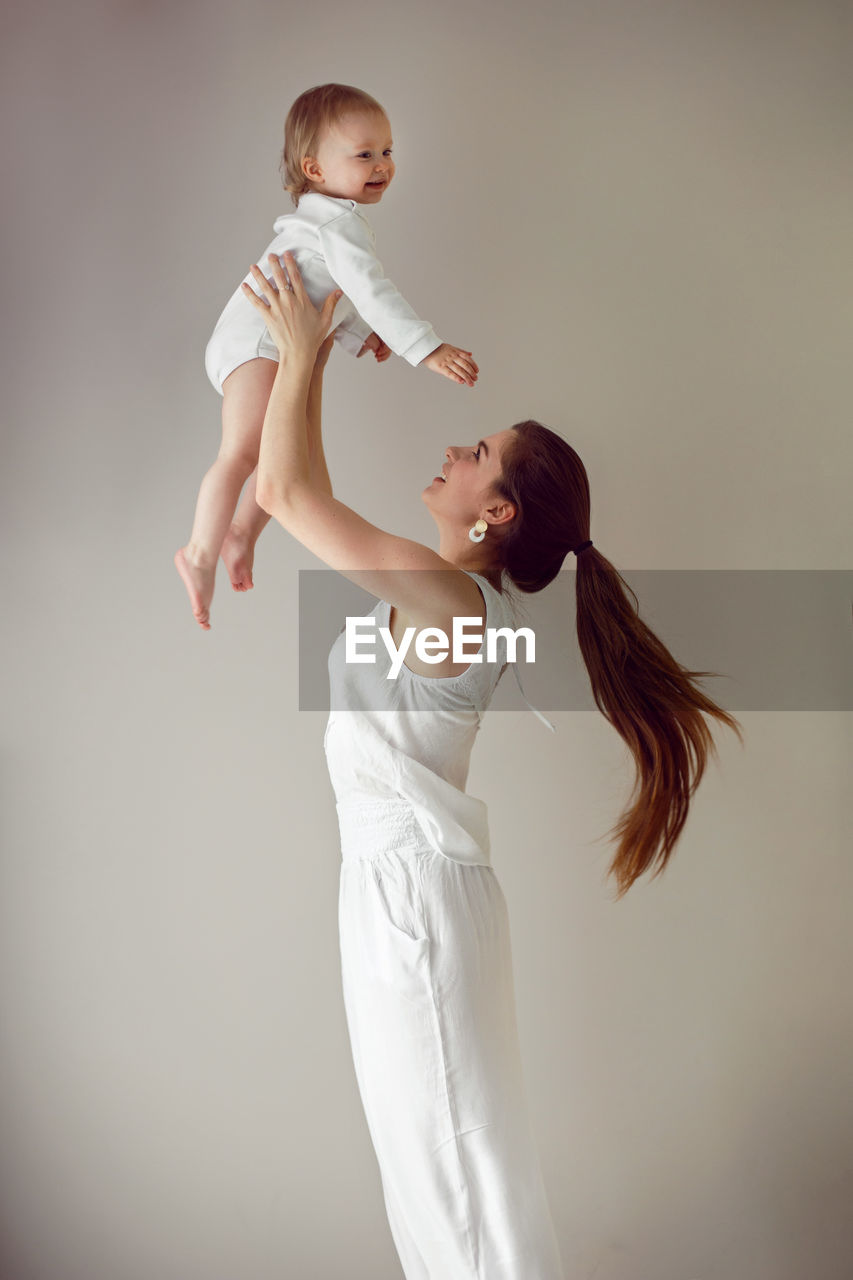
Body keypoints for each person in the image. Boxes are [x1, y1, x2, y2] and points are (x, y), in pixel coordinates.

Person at [241, 252, 744, 1278]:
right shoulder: (442, 594)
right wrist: (317, 354)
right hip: (398, 892)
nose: (449, 450)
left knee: (457, 1180)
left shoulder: (453, 603)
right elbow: (301, 486)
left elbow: (283, 489)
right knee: (434, 1175)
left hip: (414, 902)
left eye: (473, 450)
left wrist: (301, 350)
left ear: (496, 513)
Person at [175, 82, 478, 630]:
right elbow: (370, 287)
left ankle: (241, 533)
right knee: (243, 454)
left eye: (387, 152)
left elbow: (334, 294)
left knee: (275, 452)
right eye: (364, 154)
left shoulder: (326, 222)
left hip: (255, 342)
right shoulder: (339, 223)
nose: (382, 165)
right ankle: (199, 553)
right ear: (314, 169)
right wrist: (425, 348)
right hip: (258, 343)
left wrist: (362, 337)